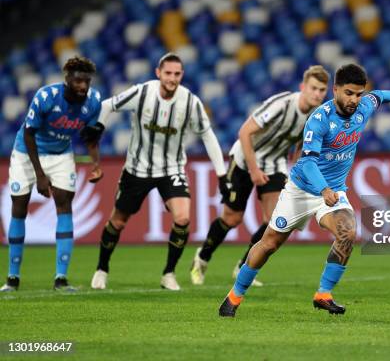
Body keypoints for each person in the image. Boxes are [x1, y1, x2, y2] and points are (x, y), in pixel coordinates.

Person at [218, 63, 390, 317]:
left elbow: (379, 95)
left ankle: (323, 294)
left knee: (348, 232)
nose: (354, 100)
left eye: (359, 94)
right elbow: (306, 161)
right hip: (302, 190)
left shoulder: (363, 107)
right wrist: (323, 188)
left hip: (334, 191)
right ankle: (234, 296)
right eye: (349, 93)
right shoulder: (320, 119)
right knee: (269, 244)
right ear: (335, 90)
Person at [90, 53, 227, 291]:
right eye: (168, 73)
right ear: (158, 73)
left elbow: (207, 135)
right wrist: (99, 126)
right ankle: (101, 269)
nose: (172, 79)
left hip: (171, 168)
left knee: (183, 218)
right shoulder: (142, 92)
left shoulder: (190, 102)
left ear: (182, 75)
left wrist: (222, 174)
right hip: (137, 168)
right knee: (118, 222)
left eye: (177, 74)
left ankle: (169, 274)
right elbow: (107, 105)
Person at [190, 66, 329, 287]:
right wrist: (254, 170)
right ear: (303, 87)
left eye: (322, 90)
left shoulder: (317, 115)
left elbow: (302, 144)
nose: (318, 94)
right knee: (232, 218)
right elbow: (245, 131)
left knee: (274, 220)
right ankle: (202, 258)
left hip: (274, 165)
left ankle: (244, 266)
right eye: (313, 88)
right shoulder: (282, 104)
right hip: (245, 159)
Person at [1, 56, 103, 292]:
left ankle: (61, 279)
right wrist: (40, 175)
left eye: (87, 81)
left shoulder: (94, 101)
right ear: (67, 79)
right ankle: (12, 278)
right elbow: (28, 134)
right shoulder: (46, 97)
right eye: (78, 81)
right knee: (19, 207)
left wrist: (96, 164)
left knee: (65, 205)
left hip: (60, 154)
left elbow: (90, 136)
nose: (83, 86)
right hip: (27, 152)